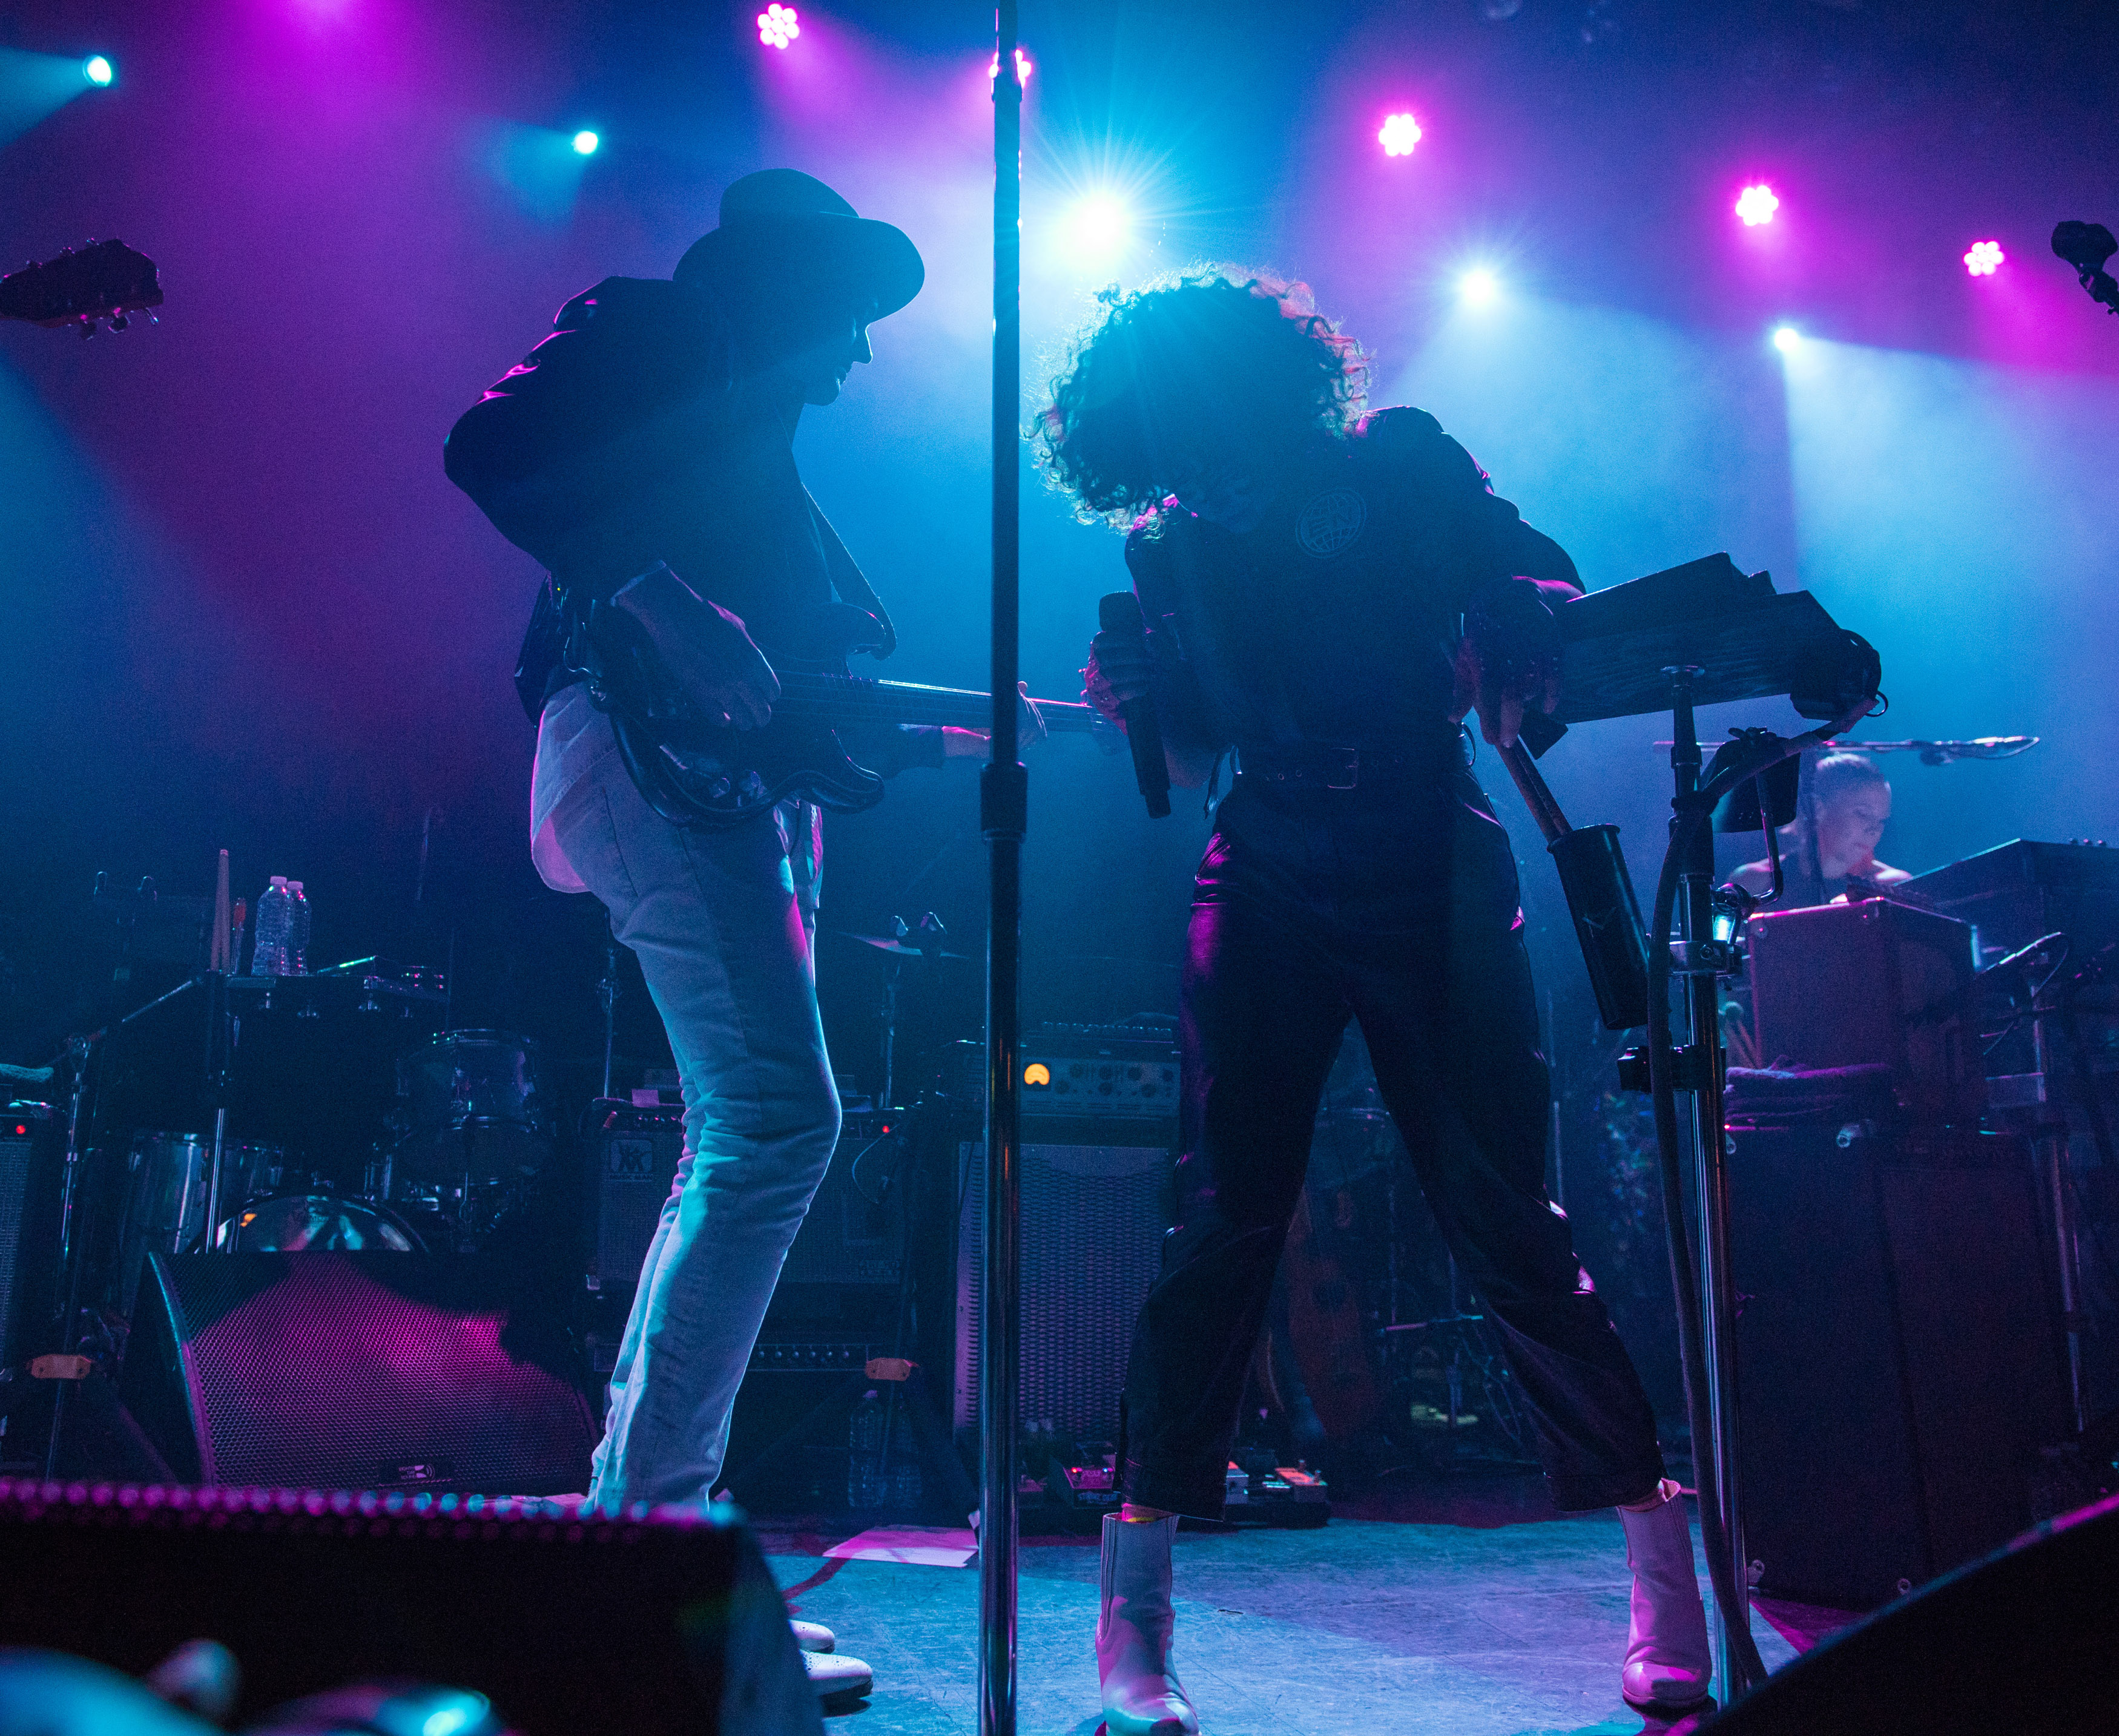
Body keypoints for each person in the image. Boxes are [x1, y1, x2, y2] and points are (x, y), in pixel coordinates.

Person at [1042, 269, 1713, 1731]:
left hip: (1424, 847)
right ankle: (1135, 1622)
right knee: (1219, 1216)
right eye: (1161, 454)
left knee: (1504, 1214)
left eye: (1200, 437)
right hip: (1265, 858)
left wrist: (1511, 613)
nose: (1191, 476)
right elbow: (1198, 744)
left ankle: (1661, 1566)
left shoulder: (1398, 460)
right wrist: (1138, 694)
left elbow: (1545, 579)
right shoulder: (1171, 545)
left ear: (1253, 396)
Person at [444, 168, 970, 1701]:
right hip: (634, 752)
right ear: (788, 291)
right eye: (848, 317)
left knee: (750, 1129)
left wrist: (870, 736)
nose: (858, 353)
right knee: (779, 1121)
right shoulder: (658, 327)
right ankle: (653, 1544)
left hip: (708, 779)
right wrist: (660, 599)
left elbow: (786, 674)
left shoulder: (748, 437)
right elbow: (489, 445)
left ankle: (644, 1527)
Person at [1732, 751, 1908, 907]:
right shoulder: (1754, 884)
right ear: (1817, 809)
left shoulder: (1893, 889)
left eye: (1882, 820)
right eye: (1863, 814)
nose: (1875, 830)